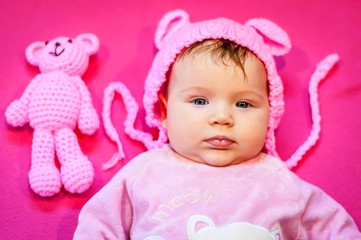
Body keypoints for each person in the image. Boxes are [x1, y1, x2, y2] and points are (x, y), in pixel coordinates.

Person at [73, 10, 361, 239]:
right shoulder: (144, 173)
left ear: (270, 113)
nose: (222, 117)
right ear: (163, 110)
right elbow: (98, 226)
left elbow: (337, 229)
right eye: (199, 101)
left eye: (244, 104)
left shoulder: (280, 181)